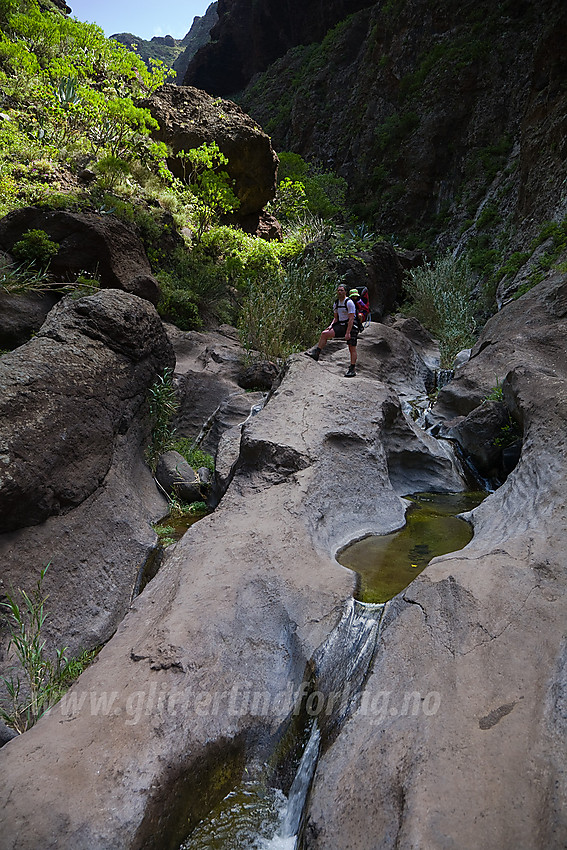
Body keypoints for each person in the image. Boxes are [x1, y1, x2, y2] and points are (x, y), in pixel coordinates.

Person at [305, 283, 358, 377]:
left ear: (345, 292)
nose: (339, 292)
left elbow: (351, 319)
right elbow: (336, 318)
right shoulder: (336, 303)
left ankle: (352, 368)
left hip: (350, 326)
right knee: (324, 334)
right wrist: (330, 326)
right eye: (338, 290)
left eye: (342, 290)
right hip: (340, 325)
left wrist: (348, 333)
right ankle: (316, 354)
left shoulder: (349, 303)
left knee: (351, 347)